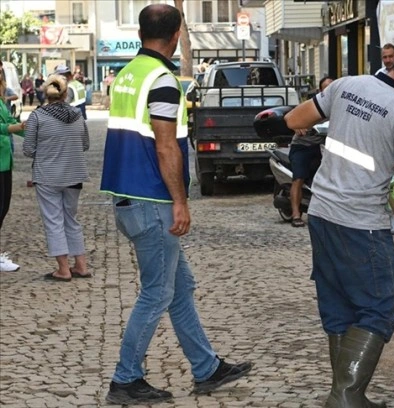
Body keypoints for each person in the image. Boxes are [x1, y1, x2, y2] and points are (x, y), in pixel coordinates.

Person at [99, 4, 252, 405]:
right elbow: (167, 146)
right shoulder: (163, 79)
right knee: (156, 293)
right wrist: (180, 202)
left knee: (178, 288)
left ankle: (206, 368)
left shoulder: (128, 74)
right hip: (153, 201)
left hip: (128, 197)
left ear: (139, 31)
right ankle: (125, 378)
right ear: (176, 35)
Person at [284, 44, 394, 407]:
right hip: (361, 223)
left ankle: (346, 396)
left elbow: (294, 120)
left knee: (340, 307)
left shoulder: (347, 84)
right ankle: (346, 395)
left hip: (322, 214)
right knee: (380, 307)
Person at [22, 74, 90, 282]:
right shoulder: (78, 115)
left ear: (46, 93)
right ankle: (81, 265)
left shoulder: (38, 117)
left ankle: (63, 269)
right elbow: (85, 145)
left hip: (48, 176)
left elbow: (28, 149)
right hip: (74, 175)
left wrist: (47, 151)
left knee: (53, 221)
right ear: (65, 93)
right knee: (72, 220)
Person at [288, 75, 334, 227]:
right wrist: (297, 126)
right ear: (320, 91)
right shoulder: (311, 105)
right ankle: (295, 214)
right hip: (302, 146)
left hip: (324, 147)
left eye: (331, 88)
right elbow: (290, 118)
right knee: (298, 178)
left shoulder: (338, 107)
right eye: (325, 88)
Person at [0, 62, 25, 272]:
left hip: (4, 160)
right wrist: (13, 127)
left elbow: (9, 119)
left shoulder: (1, 97)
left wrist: (27, 129)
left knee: (4, 207)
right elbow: (5, 125)